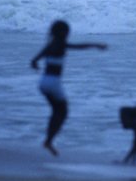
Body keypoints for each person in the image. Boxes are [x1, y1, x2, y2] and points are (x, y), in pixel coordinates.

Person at [30, 20, 107, 156]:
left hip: (43, 83)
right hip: (54, 83)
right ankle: (48, 141)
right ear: (63, 32)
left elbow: (34, 61)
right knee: (63, 112)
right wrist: (96, 45)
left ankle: (48, 140)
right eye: (67, 32)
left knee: (56, 111)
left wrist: (36, 65)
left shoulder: (49, 45)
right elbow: (79, 47)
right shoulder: (60, 44)